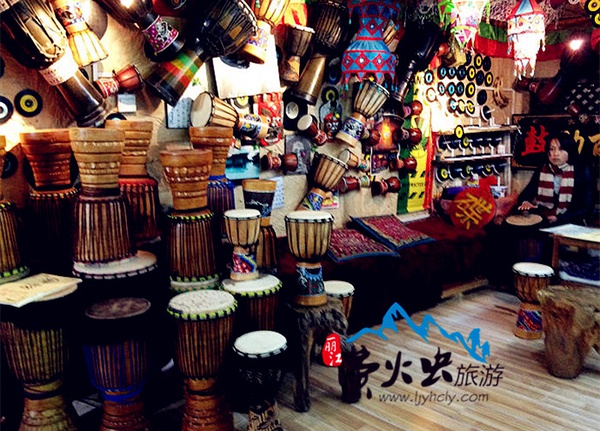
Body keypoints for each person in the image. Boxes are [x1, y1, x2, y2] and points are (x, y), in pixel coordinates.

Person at [516, 132, 594, 226]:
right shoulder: (543, 169)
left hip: (571, 222)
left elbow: (587, 209)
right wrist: (525, 203)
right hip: (545, 219)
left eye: (561, 149)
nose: (555, 154)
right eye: (552, 149)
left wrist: (559, 219)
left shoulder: (582, 171)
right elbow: (525, 195)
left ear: (570, 151)